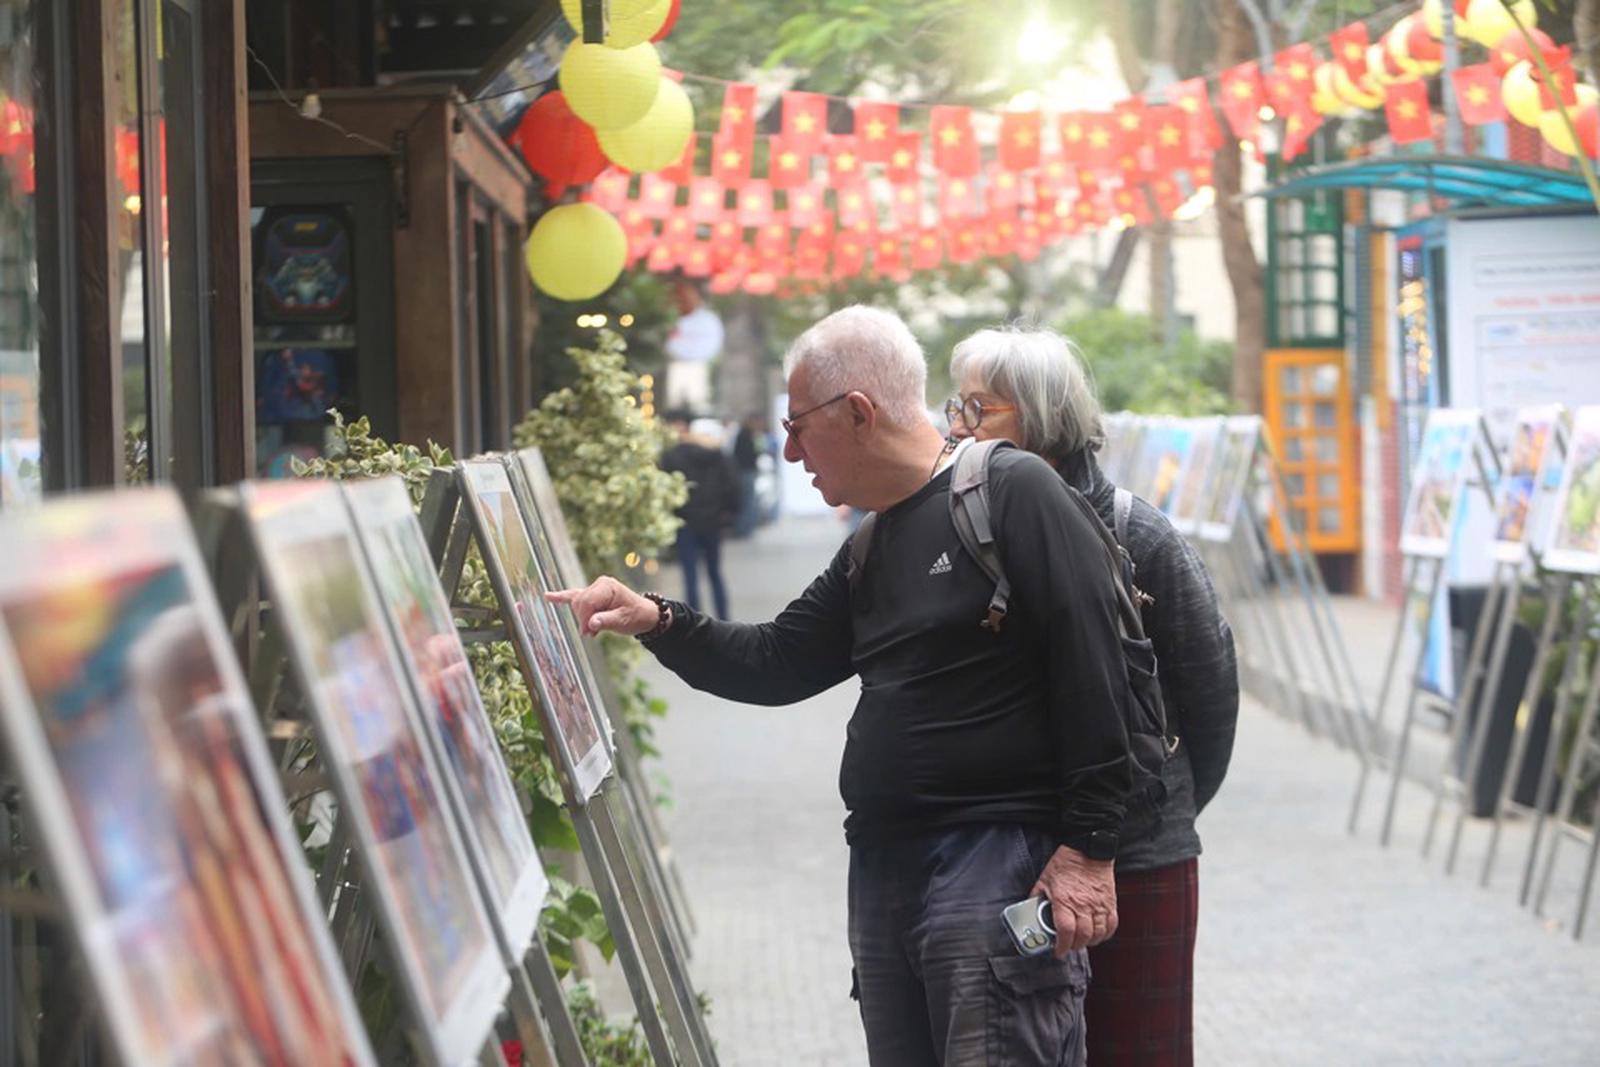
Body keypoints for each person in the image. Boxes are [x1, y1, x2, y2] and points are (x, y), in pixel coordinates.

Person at [552, 306, 1139, 1066]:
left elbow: (1097, 664)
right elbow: (777, 660)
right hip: (887, 868)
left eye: (798, 426)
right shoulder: (873, 539)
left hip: (992, 864)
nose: (790, 451)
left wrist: (1090, 850)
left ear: (859, 412)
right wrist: (656, 619)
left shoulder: (1012, 489)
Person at [946, 323, 1239, 1067]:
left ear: (1042, 420)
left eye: (979, 408)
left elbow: (1210, 690)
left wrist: (1154, 805)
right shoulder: (964, 530)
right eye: (956, 405)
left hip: (1138, 858)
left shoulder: (1138, 534)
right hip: (1006, 853)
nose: (957, 426)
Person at [660, 409, 737, 619]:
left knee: (690, 575)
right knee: (715, 573)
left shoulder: (671, 455)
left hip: (686, 521)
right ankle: (724, 619)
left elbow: (666, 489)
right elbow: (730, 484)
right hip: (712, 520)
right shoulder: (716, 453)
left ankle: (694, 623)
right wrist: (726, 512)